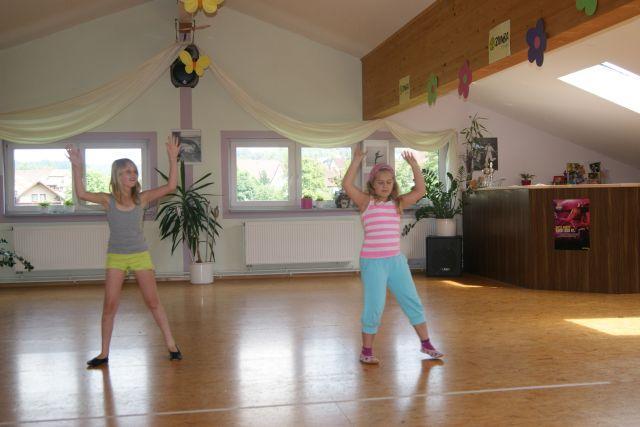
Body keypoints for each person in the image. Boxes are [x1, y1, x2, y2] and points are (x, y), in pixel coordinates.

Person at [66, 136, 182, 367]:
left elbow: (171, 187)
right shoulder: (107, 200)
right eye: (127, 171)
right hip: (116, 257)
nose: (133, 174)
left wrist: (172, 158)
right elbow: (82, 194)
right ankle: (103, 353)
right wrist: (76, 167)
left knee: (153, 302)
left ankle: (171, 345)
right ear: (117, 176)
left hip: (140, 255)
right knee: (109, 306)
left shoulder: (143, 198)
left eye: (134, 171)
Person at [342, 147, 444, 364]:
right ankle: (366, 351)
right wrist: (357, 160)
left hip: (396, 262)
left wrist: (414, 165)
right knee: (374, 307)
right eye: (380, 182)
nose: (385, 186)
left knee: (412, 301)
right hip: (373, 263)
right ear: (372, 184)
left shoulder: (398, 203)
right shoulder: (365, 202)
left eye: (389, 182)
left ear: (393, 184)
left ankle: (426, 344)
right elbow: (347, 185)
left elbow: (420, 190)